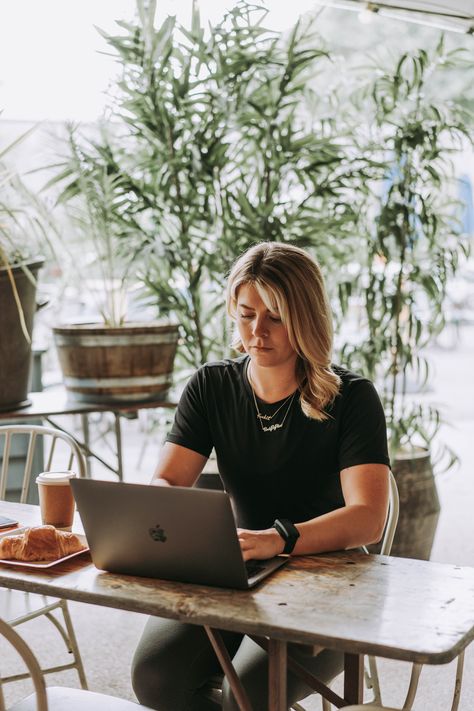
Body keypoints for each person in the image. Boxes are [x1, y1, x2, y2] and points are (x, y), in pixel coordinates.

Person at [132, 241, 390, 711]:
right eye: (246, 314)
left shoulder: (353, 398)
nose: (257, 331)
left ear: (305, 317)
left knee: (248, 696)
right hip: (236, 568)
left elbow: (368, 518)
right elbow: (167, 481)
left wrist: (279, 538)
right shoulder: (211, 386)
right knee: (155, 677)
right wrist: (163, 514)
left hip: (333, 582)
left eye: (274, 316)